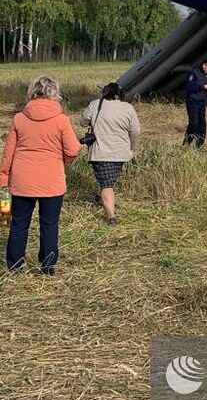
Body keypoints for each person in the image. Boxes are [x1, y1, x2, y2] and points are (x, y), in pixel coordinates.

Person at [0, 76, 80, 275]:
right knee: (49, 225)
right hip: (51, 181)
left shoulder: (19, 118)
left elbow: (8, 154)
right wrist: (62, 159)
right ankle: (47, 267)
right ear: (54, 93)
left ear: (32, 92)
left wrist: (4, 177)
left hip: (22, 181)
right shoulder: (61, 120)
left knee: (18, 225)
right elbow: (73, 149)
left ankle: (15, 267)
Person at [80, 82, 141, 224]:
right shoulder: (128, 108)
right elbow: (136, 130)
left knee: (106, 184)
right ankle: (104, 199)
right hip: (121, 152)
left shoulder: (95, 104)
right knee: (109, 181)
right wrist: (131, 146)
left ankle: (111, 217)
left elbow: (83, 121)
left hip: (101, 152)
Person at [183, 59, 207, 149]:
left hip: (202, 102)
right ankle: (186, 144)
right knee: (194, 124)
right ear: (204, 65)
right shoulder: (194, 73)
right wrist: (202, 87)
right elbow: (189, 87)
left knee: (202, 125)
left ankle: (199, 147)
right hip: (192, 102)